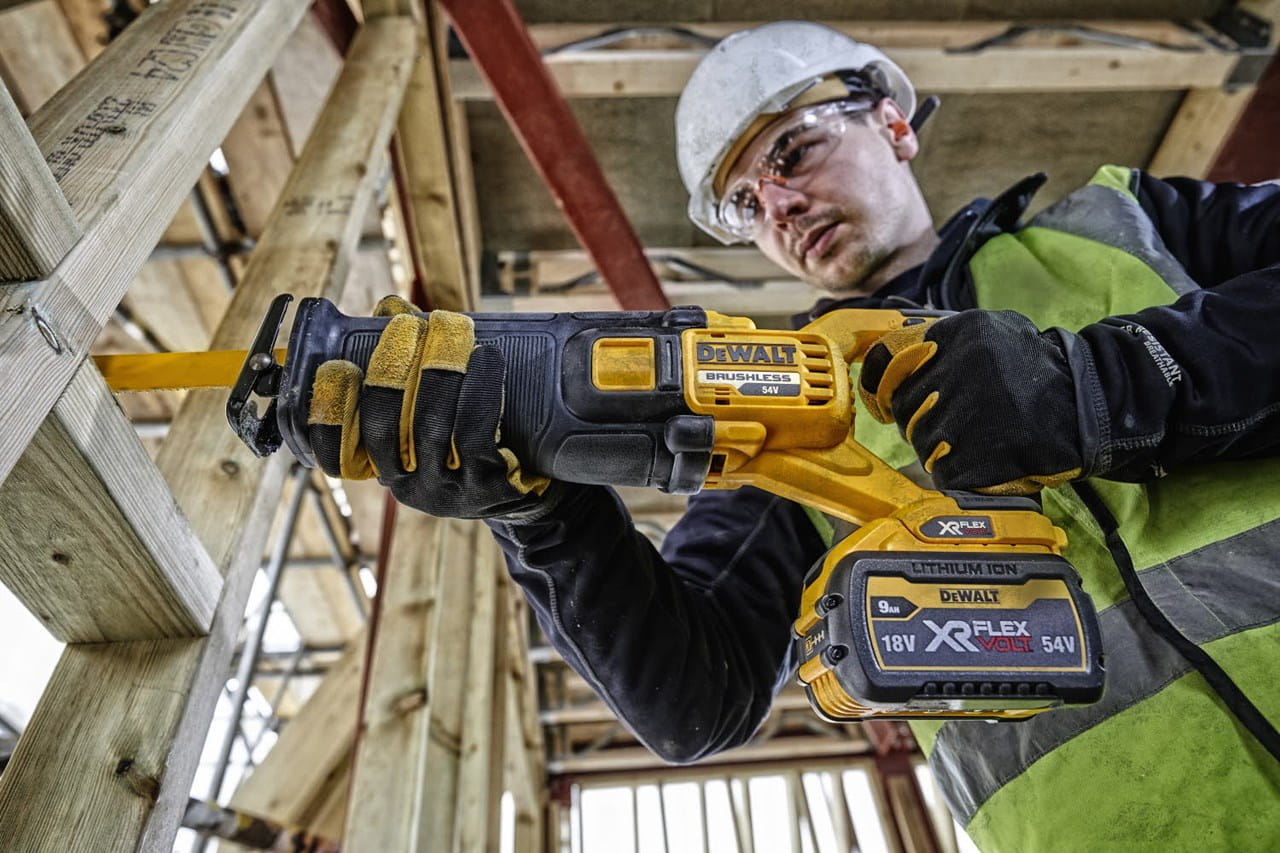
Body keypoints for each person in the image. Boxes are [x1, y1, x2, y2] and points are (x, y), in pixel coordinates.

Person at [306, 21, 1280, 850]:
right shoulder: (788, 413)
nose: (777, 207)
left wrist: (1095, 384)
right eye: (744, 204)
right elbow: (694, 695)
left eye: (790, 154)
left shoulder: (1127, 226)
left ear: (892, 123)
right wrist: (539, 511)